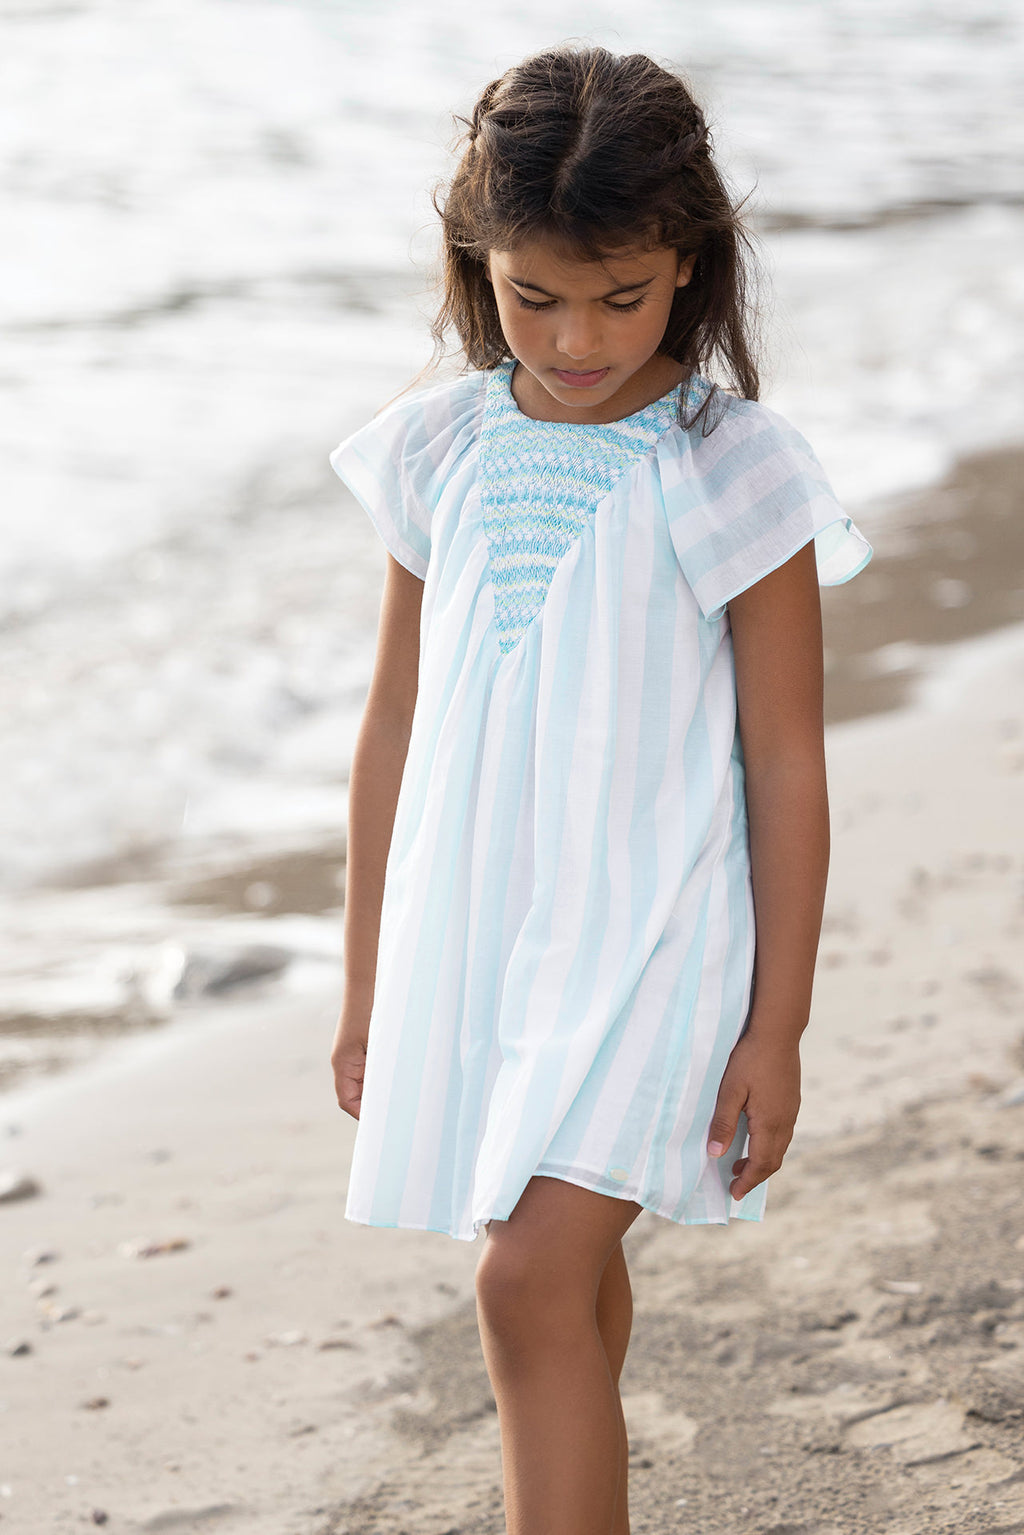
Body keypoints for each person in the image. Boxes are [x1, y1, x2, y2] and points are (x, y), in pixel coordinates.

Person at [329, 42, 872, 1535]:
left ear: (688, 263)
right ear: (476, 264)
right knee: (561, 1279)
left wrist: (779, 1025)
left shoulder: (732, 466)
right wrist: (369, 980)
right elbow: (393, 725)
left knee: (520, 1281)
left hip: (661, 944)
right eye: (534, 296)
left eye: (621, 298)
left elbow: (788, 757)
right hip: (494, 943)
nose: (577, 339)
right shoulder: (436, 448)